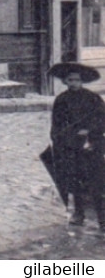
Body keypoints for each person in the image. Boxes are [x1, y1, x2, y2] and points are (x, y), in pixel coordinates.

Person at [49, 62, 105, 229]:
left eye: (77, 80)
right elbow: (56, 125)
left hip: (91, 147)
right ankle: (78, 213)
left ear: (82, 81)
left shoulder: (93, 98)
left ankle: (103, 218)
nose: (74, 83)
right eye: (70, 79)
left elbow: (102, 120)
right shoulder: (61, 100)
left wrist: (89, 131)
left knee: (96, 182)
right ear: (65, 81)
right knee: (74, 181)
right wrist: (61, 142)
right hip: (70, 148)